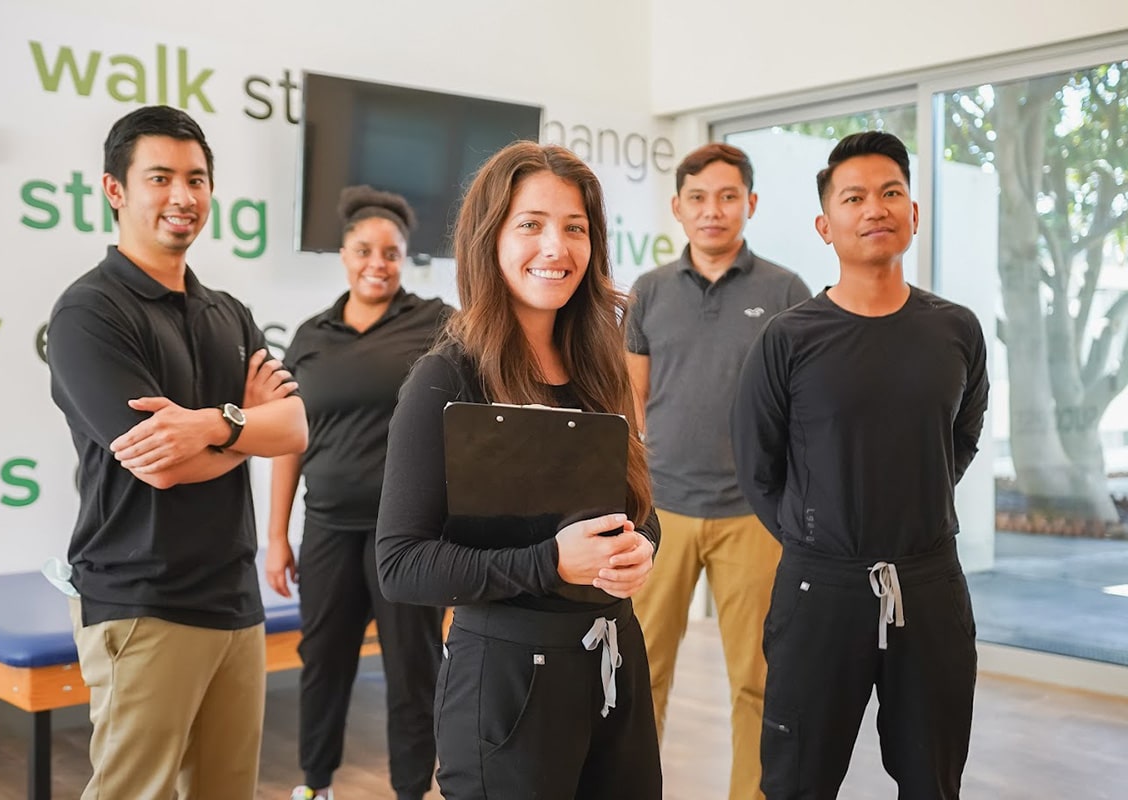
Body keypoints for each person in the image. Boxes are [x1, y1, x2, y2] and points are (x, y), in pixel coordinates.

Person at [375, 141, 663, 800]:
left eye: (575, 228)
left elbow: (640, 511)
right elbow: (401, 563)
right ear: (490, 238)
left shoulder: (601, 367)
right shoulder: (447, 377)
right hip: (506, 684)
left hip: (615, 663)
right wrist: (550, 564)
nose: (555, 248)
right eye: (531, 224)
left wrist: (642, 549)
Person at [47, 105, 308, 800]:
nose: (182, 197)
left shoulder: (228, 311)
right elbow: (160, 464)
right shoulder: (89, 313)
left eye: (196, 179)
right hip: (141, 601)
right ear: (115, 190)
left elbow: (295, 428)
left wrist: (211, 425)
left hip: (233, 596)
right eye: (159, 177)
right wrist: (242, 426)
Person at [733, 131, 989, 799]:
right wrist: (819, 540)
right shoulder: (788, 337)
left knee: (933, 780)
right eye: (854, 197)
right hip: (821, 591)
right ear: (826, 224)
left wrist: (912, 501)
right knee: (797, 781)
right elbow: (758, 467)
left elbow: (960, 438)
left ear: (913, 214)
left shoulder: (956, 329)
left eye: (891, 192)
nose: (875, 207)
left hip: (930, 587)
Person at [625, 142, 811, 798]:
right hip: (663, 512)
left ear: (750, 205)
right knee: (639, 677)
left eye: (728, 197)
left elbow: (800, 402)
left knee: (757, 680)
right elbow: (634, 401)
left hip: (751, 515)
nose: (713, 211)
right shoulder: (647, 293)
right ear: (678, 207)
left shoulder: (786, 290)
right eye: (698, 198)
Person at [266, 185, 453, 800]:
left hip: (407, 534)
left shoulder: (435, 323)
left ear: (405, 259)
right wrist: (275, 538)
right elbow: (290, 437)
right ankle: (315, 784)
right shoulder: (311, 335)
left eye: (392, 253)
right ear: (343, 254)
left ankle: (410, 792)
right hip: (326, 529)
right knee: (322, 663)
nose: (378, 263)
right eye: (364, 250)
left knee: (412, 670)